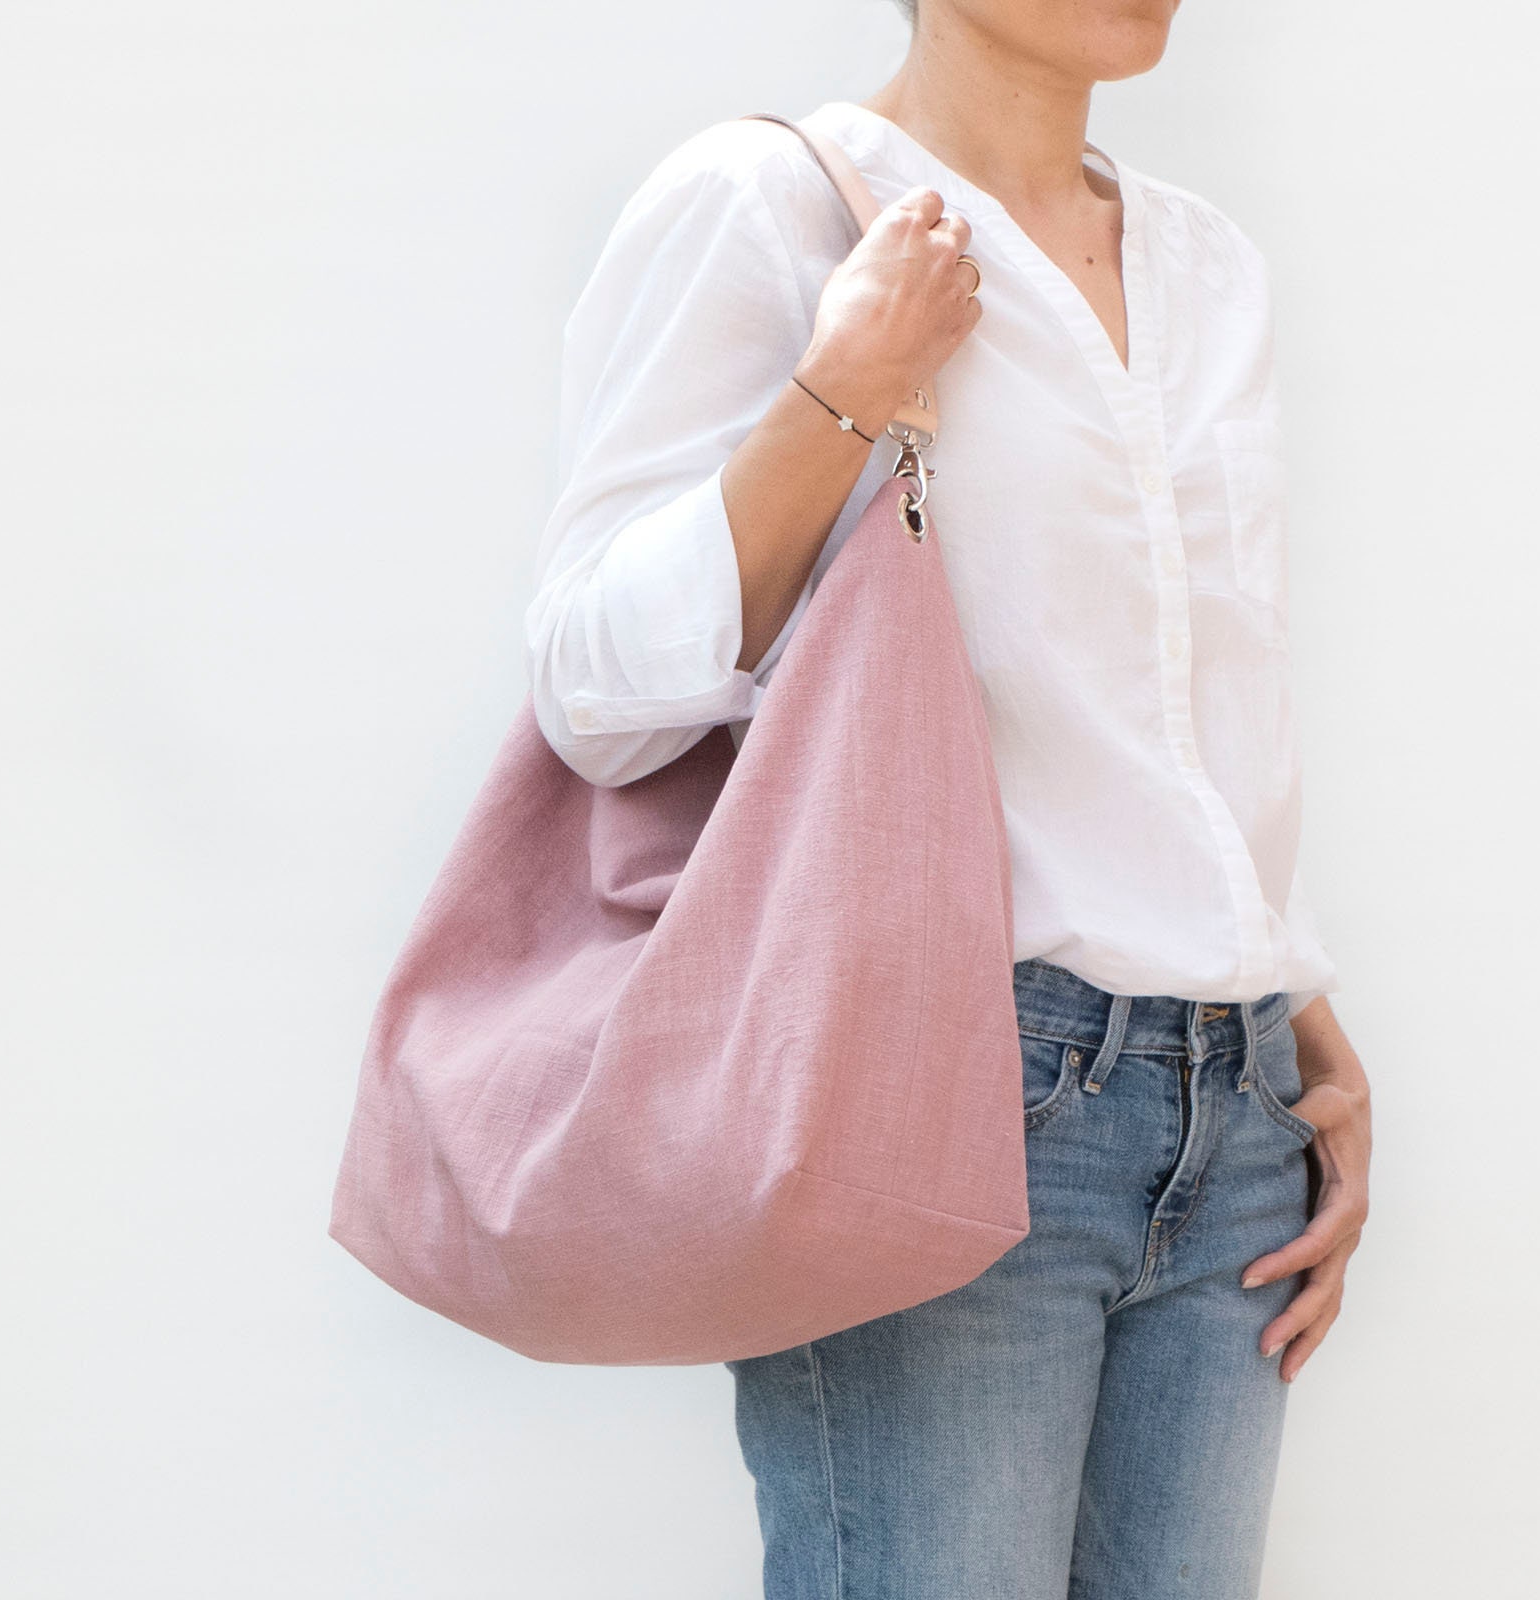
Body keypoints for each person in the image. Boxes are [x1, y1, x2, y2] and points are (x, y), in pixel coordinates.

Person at [523, 5, 1374, 1595]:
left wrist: (1289, 1002)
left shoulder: (1208, 267)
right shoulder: (768, 202)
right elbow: (592, 691)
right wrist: (845, 388)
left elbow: (1197, 691)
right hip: (945, 1088)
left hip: (1236, 1120)